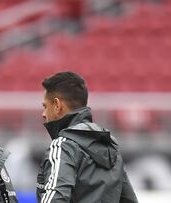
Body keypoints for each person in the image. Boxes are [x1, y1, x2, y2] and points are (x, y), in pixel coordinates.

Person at [36, 71, 138, 203]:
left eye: (45, 106)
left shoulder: (63, 145)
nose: (43, 114)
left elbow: (55, 199)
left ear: (57, 105)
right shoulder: (110, 146)